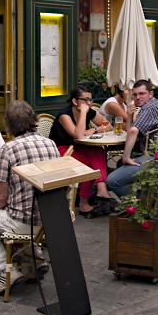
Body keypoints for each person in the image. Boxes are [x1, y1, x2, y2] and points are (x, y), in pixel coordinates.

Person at [0, 101, 60, 296]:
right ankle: (34, 260)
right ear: (33, 119)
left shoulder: (9, 149)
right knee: (21, 207)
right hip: (51, 219)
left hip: (24, 222)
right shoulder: (50, 144)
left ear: (8, 125)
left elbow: (1, 197)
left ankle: (6, 269)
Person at [48, 87, 115, 217]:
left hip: (78, 146)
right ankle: (84, 204)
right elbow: (78, 135)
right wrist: (84, 113)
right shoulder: (65, 115)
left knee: (98, 151)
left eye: (90, 100)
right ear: (74, 101)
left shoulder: (89, 111)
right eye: (85, 100)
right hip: (62, 150)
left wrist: (93, 130)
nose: (89, 103)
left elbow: (108, 125)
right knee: (89, 165)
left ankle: (101, 188)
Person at [106, 80, 158, 198]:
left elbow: (133, 131)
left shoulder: (150, 108)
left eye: (142, 94)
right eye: (135, 94)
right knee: (119, 164)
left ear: (151, 94)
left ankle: (140, 203)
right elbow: (131, 131)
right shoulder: (154, 105)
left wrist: (126, 157)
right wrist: (129, 115)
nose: (138, 97)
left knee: (112, 181)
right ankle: (142, 194)